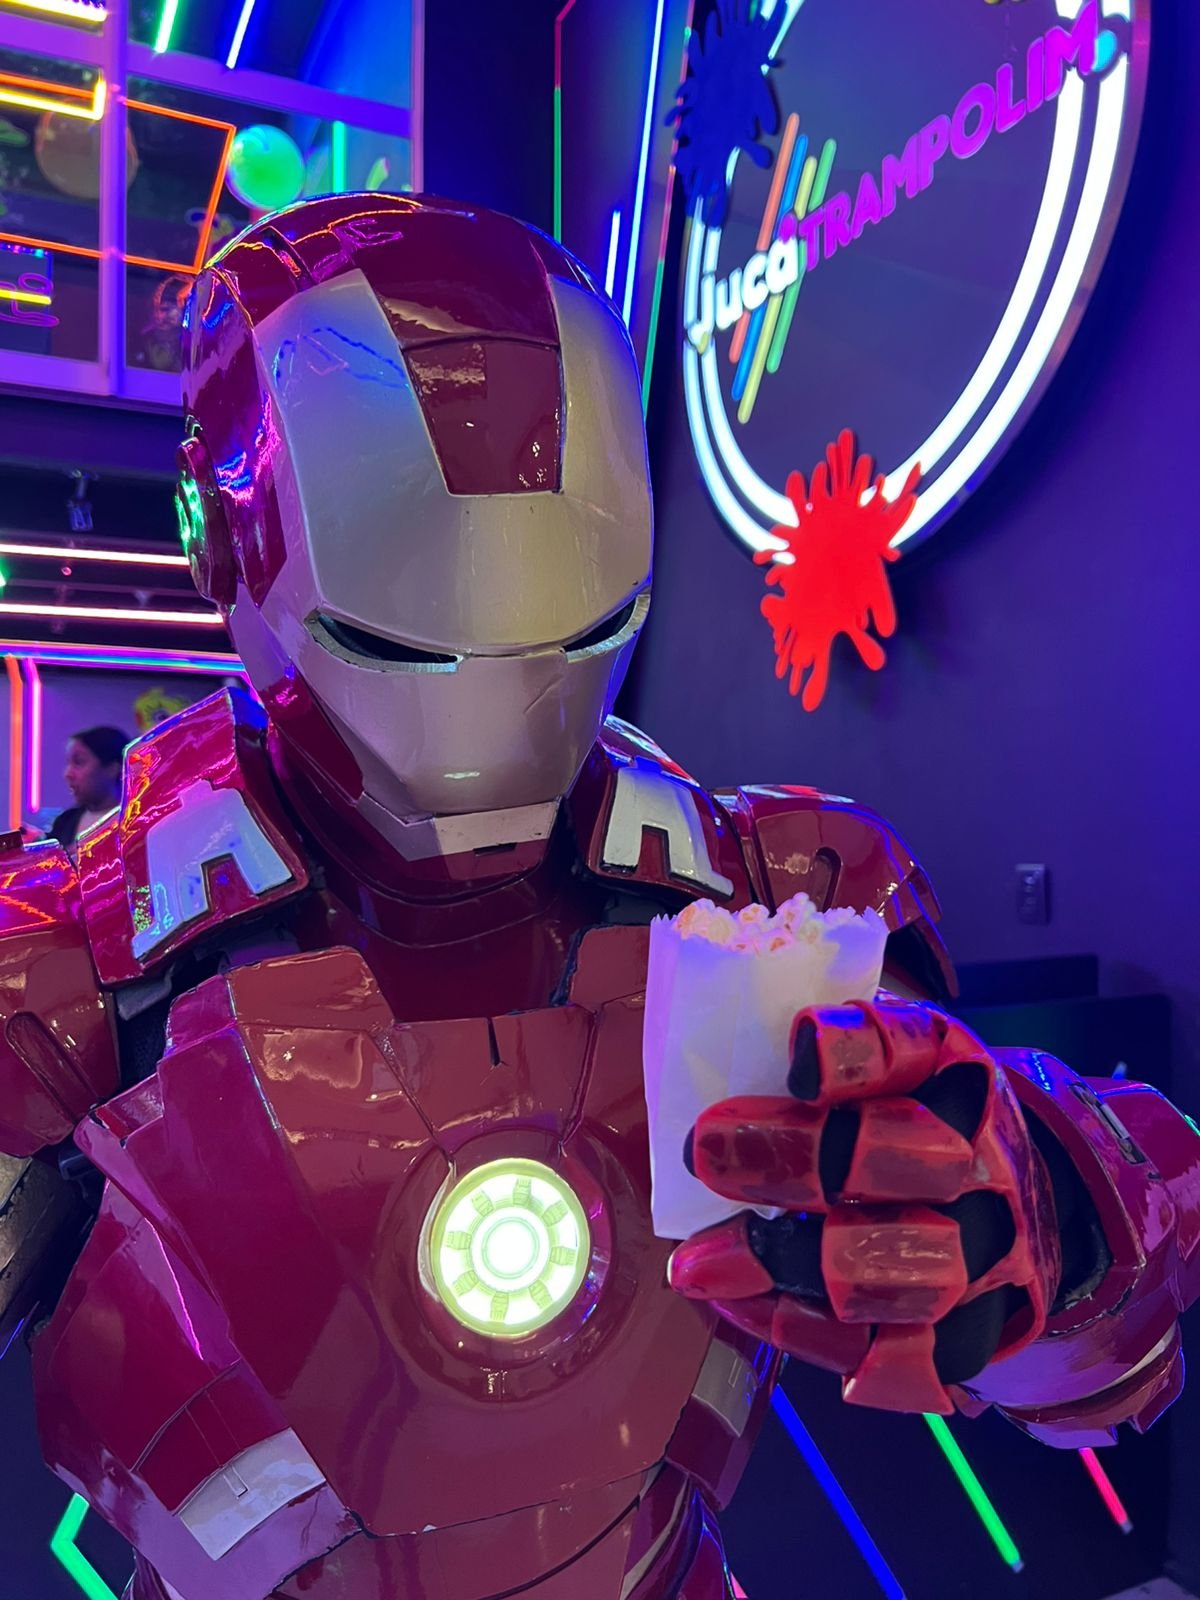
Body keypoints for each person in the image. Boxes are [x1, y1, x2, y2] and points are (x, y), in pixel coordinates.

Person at [0, 195, 1197, 1600]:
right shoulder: (67, 966)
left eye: (581, 635)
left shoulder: (777, 898)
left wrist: (1046, 1212)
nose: (494, 720)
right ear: (220, 535)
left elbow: (1115, 1365)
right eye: (399, 645)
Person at [50, 726, 130, 849]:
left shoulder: (133, 821)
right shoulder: (64, 822)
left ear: (113, 768)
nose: (68, 774)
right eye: (68, 763)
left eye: (79, 762)